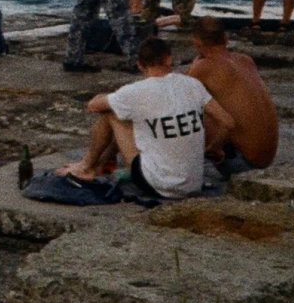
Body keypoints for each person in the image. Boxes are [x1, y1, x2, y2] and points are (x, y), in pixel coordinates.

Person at [60, 35, 234, 200]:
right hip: (193, 184)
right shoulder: (192, 84)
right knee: (127, 112)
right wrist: (215, 147)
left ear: (140, 65)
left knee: (111, 114)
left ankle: (86, 167)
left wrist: (107, 95)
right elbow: (228, 122)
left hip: (159, 185)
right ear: (169, 59)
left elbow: (92, 106)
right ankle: (102, 163)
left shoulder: (135, 92)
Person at [181, 15, 279, 170]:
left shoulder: (204, 66)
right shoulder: (245, 60)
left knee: (196, 106)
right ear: (226, 39)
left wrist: (195, 65)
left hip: (243, 162)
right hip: (266, 159)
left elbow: (176, 91)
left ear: (196, 42)